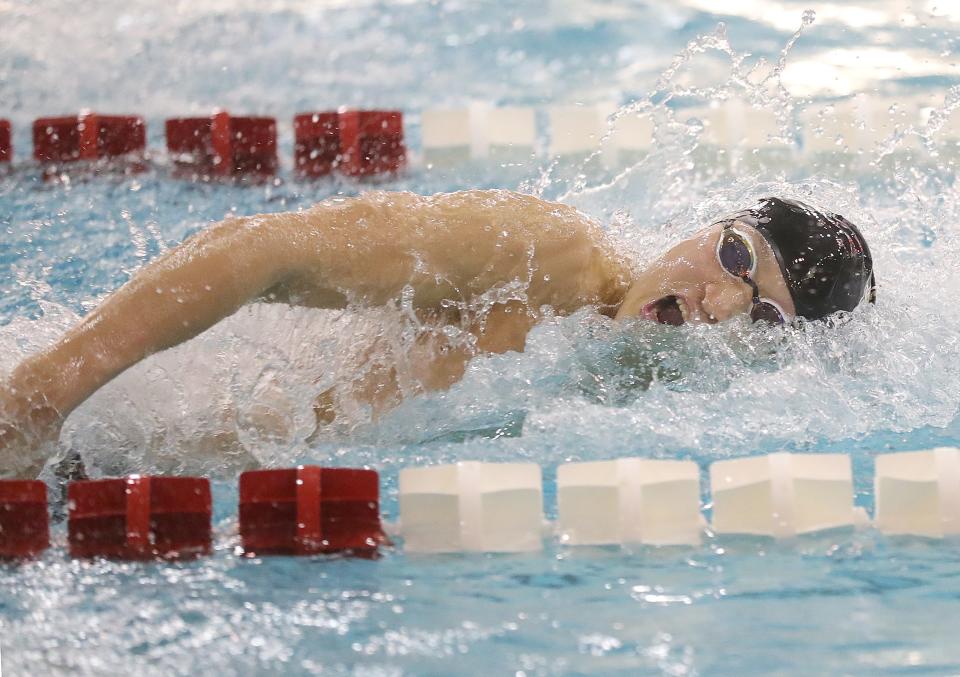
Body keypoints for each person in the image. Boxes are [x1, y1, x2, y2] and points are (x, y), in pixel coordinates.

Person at [0, 190, 875, 479]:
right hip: (97, 455)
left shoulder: (662, 426)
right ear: (702, 223)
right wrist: (42, 394)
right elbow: (258, 245)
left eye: (758, 314)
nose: (718, 299)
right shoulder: (544, 257)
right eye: (732, 254)